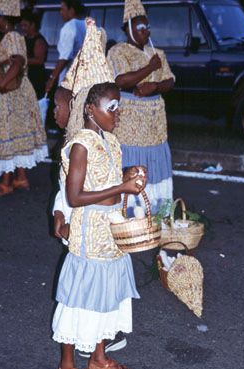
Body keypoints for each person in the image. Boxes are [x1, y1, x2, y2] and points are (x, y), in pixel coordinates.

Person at [52, 80, 147, 369]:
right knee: (81, 298)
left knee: (107, 292)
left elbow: (103, 180)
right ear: (91, 110)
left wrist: (127, 176)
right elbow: (76, 196)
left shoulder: (110, 141)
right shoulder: (81, 144)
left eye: (119, 105)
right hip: (90, 231)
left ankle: (99, 357)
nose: (118, 113)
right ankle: (66, 368)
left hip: (111, 229)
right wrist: (121, 189)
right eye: (112, 107)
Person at [107, 0, 175, 216]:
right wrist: (150, 68)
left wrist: (155, 85)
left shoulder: (157, 53)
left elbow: (170, 80)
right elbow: (121, 81)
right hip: (130, 122)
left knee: (154, 157)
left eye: (148, 28)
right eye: (141, 28)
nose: (147, 32)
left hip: (154, 121)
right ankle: (130, 211)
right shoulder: (118, 51)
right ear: (128, 30)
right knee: (131, 159)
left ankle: (155, 211)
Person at [0, 0, 48, 196]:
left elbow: (17, 62)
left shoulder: (11, 36)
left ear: (3, 17)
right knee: (18, 134)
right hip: (18, 92)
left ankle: (7, 182)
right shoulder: (13, 36)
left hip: (13, 93)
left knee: (9, 134)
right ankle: (21, 178)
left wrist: (3, 84)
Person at [45, 0, 86, 93]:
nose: (60, 13)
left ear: (71, 10)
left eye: (62, 9)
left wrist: (52, 78)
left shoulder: (69, 27)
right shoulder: (90, 26)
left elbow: (65, 57)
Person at [20, 10, 48, 99]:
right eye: (22, 26)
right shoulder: (24, 38)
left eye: (25, 25)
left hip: (35, 78)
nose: (23, 28)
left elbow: (40, 60)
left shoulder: (39, 40)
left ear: (33, 25)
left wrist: (22, 60)